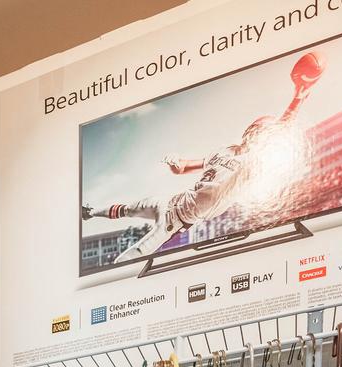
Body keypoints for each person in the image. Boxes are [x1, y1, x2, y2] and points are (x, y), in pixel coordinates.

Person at [84, 50, 324, 262]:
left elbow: (281, 130)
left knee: (130, 259)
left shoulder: (253, 164)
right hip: (169, 200)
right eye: (257, 129)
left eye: (262, 132)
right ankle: (90, 212)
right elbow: (186, 167)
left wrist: (297, 98)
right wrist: (177, 163)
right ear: (250, 131)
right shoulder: (227, 150)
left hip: (175, 221)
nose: (258, 134)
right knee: (127, 209)